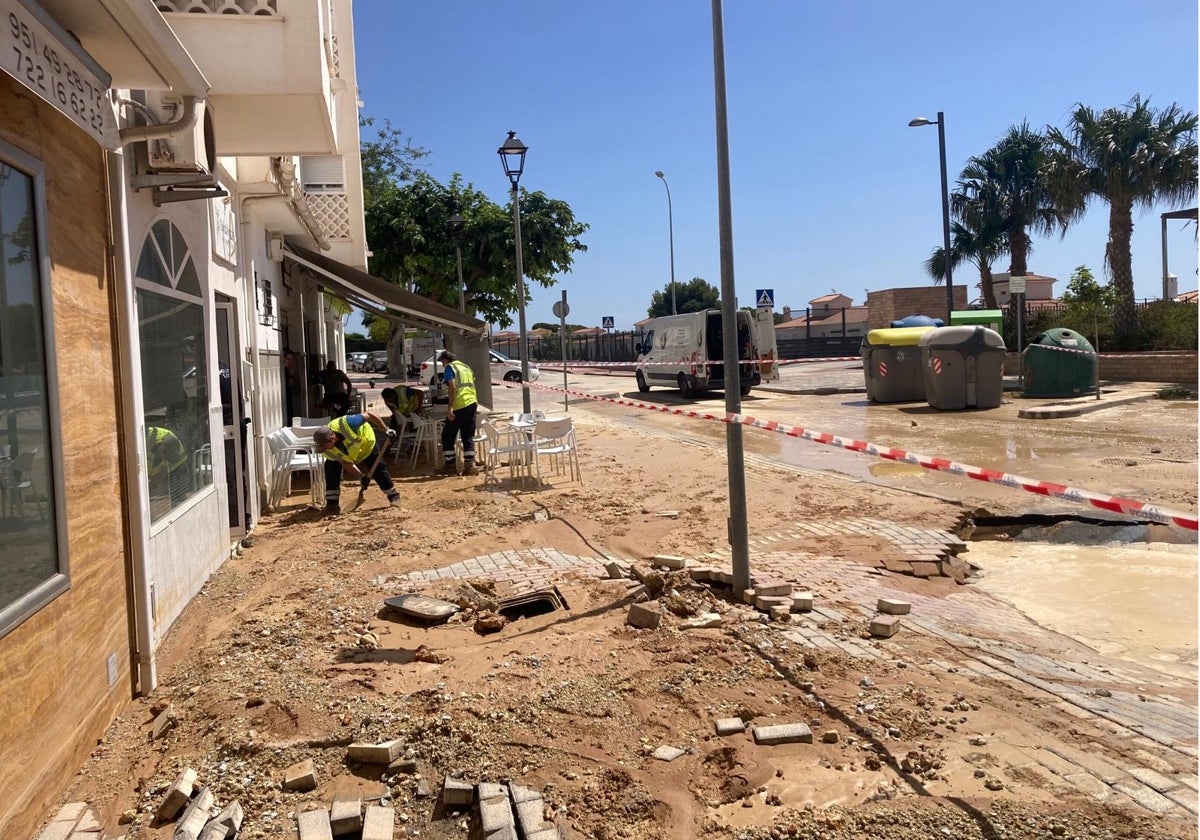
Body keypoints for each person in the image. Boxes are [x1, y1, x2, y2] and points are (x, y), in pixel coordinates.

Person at [312, 411, 399, 513]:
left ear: (331, 439)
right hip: (350, 454)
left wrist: (386, 429)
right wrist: (361, 477)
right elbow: (345, 462)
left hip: (366, 445)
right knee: (331, 467)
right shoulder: (328, 451)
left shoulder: (349, 423)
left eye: (323, 446)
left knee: (378, 468)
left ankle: (394, 496)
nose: (323, 449)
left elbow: (369, 414)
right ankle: (332, 504)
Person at [438, 350, 478, 476]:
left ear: (445, 360)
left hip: (460, 404)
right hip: (472, 402)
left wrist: (450, 408)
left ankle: (450, 465)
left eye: (442, 363)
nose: (443, 365)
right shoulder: (466, 367)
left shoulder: (450, 367)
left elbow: (452, 386)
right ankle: (469, 465)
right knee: (467, 435)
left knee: (447, 434)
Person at [145, 425, 191, 504]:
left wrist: (149, 487)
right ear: (161, 447)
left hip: (178, 466)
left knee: (177, 490)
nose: (165, 459)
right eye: (164, 456)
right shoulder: (150, 435)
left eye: (166, 458)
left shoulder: (172, 458)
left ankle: (178, 502)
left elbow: (158, 475)